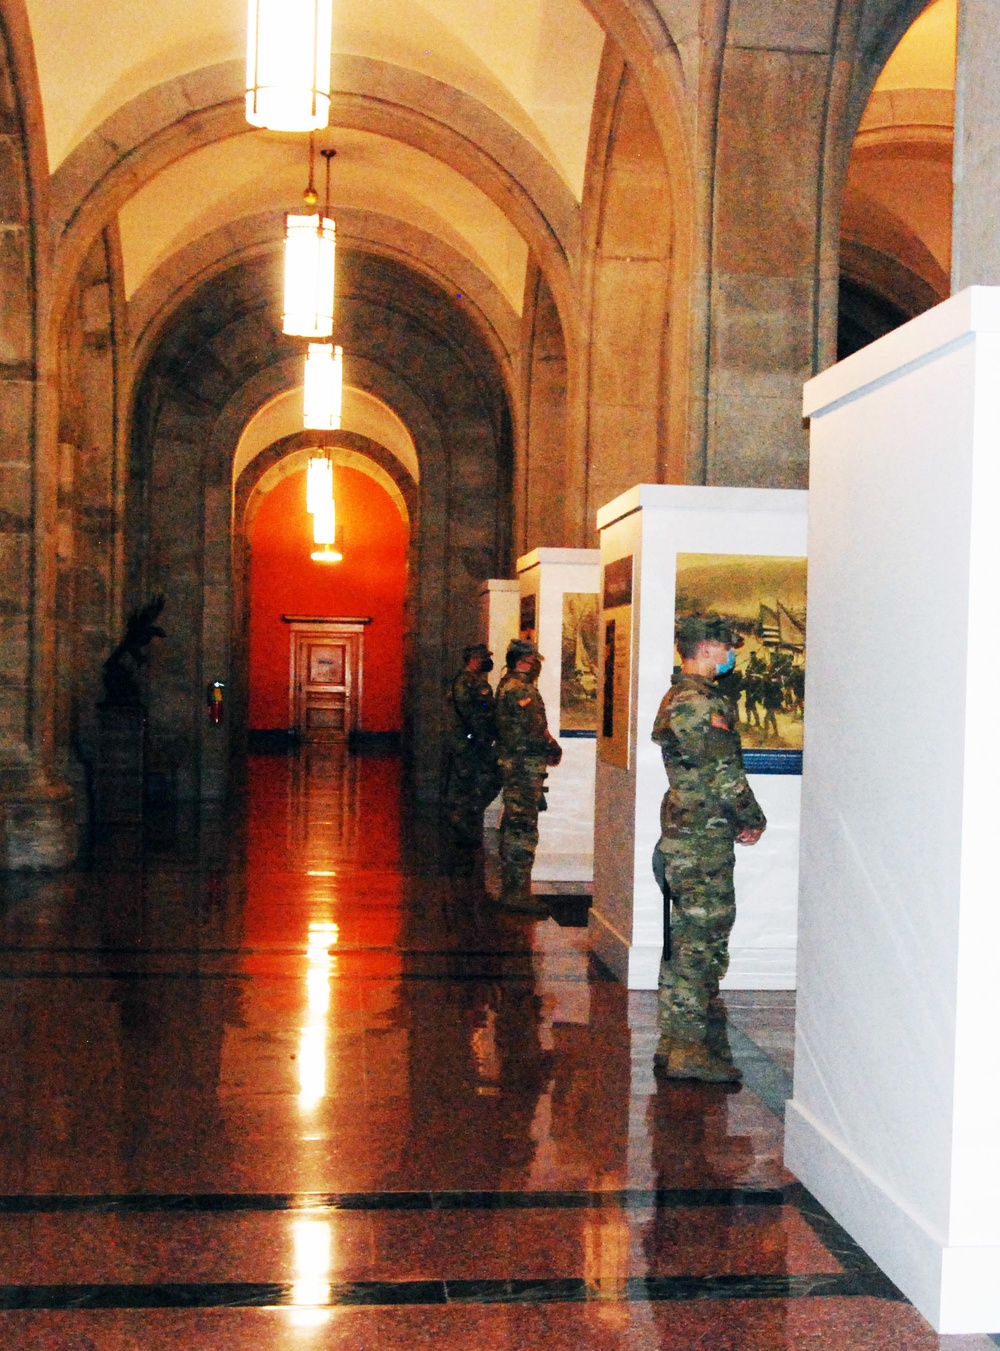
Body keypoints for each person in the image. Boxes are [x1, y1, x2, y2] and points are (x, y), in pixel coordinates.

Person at [652, 614, 766, 1082]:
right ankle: (686, 1050)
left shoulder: (686, 697)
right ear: (704, 650)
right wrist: (752, 816)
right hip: (700, 839)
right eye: (726, 648)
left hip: (692, 833)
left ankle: (677, 1041)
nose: (731, 655)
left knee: (688, 940)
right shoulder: (697, 703)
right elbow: (723, 775)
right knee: (701, 943)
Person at [494, 639, 562, 916]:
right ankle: (516, 892)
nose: (537, 666)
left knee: (515, 823)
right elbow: (535, 728)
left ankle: (514, 888)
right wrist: (551, 747)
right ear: (525, 661)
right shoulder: (521, 689)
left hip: (516, 764)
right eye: (535, 661)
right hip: (524, 767)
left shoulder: (506, 684)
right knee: (522, 828)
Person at [445, 643, 502, 847]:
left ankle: (465, 817)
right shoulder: (464, 682)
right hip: (469, 739)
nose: (487, 662)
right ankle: (461, 817)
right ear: (474, 659)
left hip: (473, 738)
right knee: (468, 779)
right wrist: (481, 734)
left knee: (473, 778)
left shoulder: (474, 681)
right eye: (483, 658)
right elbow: (470, 712)